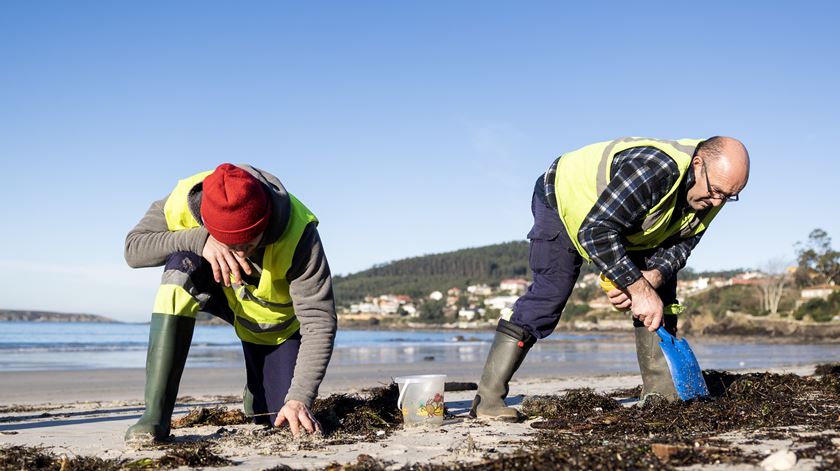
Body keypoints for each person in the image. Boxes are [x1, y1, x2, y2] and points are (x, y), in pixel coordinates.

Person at [470, 136, 750, 421]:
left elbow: (682, 244)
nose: (718, 202)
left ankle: (662, 392)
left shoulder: (714, 192)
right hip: (564, 200)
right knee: (550, 294)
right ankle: (488, 399)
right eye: (716, 191)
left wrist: (650, 278)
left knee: (662, 293)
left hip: (628, 224)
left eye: (729, 196)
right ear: (698, 163)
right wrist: (637, 289)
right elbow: (595, 232)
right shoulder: (654, 169)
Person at [124, 163, 337, 441]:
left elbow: (319, 320)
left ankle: (255, 389)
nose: (239, 253)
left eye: (247, 244)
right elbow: (133, 249)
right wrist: (200, 240)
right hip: (220, 292)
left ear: (266, 221)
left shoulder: (300, 233)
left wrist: (300, 398)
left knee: (278, 421)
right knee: (181, 265)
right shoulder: (182, 200)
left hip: (272, 328)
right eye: (229, 244)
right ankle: (155, 418)